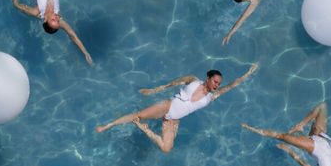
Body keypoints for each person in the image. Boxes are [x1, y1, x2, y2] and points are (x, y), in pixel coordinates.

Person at [96, 64, 258, 153]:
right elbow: (171, 84)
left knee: (166, 148)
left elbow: (232, 85)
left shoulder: (211, 97)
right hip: (167, 106)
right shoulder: (192, 80)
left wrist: (248, 73)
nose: (217, 85)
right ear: (208, 78)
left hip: (173, 119)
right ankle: (107, 126)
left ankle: (144, 129)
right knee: (137, 115)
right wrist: (153, 90)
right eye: (215, 81)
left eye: (219, 83)